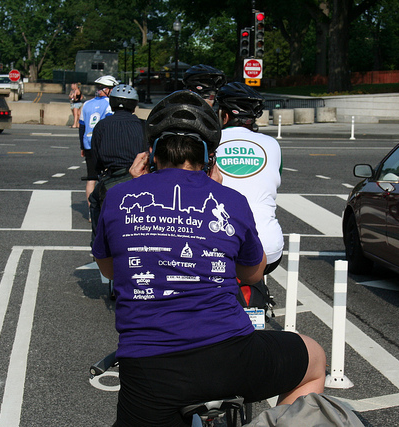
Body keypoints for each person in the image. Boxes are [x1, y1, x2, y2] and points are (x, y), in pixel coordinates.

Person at [92, 90, 326, 426]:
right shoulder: (229, 200)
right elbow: (254, 273)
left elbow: (109, 269)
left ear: (151, 153)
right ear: (209, 157)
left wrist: (137, 186)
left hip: (148, 369)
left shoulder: (119, 197)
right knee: (314, 361)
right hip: (230, 356)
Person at [215, 82, 284, 305]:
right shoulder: (271, 144)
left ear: (224, 115)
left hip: (222, 243)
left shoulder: (211, 142)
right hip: (269, 247)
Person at [88, 84, 145, 245]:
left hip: (111, 176)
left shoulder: (102, 125)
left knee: (95, 201)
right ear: (133, 105)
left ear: (112, 103)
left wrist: (99, 172)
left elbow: (96, 157)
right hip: (138, 178)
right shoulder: (143, 125)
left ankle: (97, 245)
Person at [78, 75, 119, 210]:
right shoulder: (109, 104)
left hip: (88, 144)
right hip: (103, 145)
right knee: (108, 177)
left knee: (91, 178)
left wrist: (82, 146)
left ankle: (91, 210)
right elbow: (110, 125)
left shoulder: (86, 104)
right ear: (108, 89)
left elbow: (82, 127)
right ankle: (105, 208)